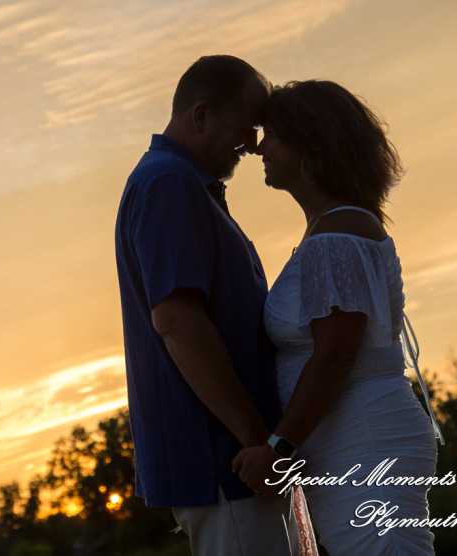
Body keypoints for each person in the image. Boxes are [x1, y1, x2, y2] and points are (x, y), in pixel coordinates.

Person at [114, 56, 312, 555]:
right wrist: (259, 444)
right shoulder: (168, 184)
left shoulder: (184, 186)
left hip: (234, 459)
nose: (254, 144)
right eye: (246, 129)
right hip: (226, 460)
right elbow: (178, 322)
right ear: (200, 115)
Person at [233, 80, 440, 554]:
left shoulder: (338, 234)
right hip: (346, 439)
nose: (261, 146)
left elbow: (336, 355)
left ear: (313, 142)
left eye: (275, 133)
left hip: (363, 439)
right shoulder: (329, 229)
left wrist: (278, 450)